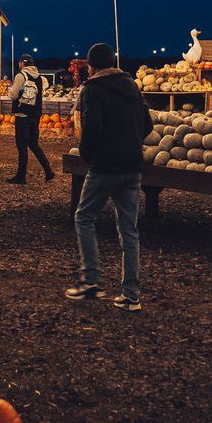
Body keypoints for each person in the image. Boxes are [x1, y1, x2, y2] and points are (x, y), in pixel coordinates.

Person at [66, 42, 152, 313]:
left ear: (91, 66)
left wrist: (87, 154)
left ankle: (91, 280)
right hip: (132, 165)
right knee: (129, 230)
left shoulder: (93, 89)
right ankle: (131, 295)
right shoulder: (131, 86)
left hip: (105, 166)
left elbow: (92, 129)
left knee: (84, 217)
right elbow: (147, 125)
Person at [7, 55, 54, 184]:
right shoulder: (39, 77)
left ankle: (21, 176)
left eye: (19, 62)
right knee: (33, 144)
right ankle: (48, 171)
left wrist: (10, 93)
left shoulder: (21, 76)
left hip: (22, 115)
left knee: (22, 146)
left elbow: (14, 95)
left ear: (22, 63)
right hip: (36, 115)